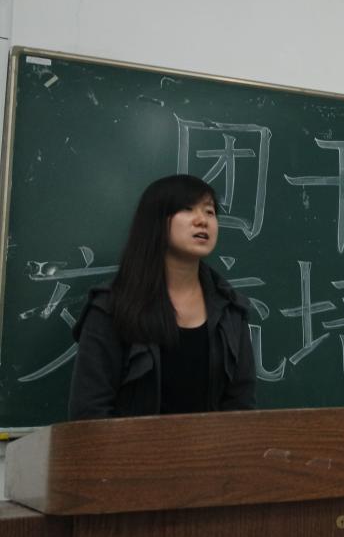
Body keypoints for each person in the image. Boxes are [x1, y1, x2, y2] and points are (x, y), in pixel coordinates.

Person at [68, 174, 256, 420]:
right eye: (187, 209)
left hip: (213, 445)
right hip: (129, 445)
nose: (202, 221)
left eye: (209, 212)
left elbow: (241, 405)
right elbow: (89, 411)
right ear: (156, 220)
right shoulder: (111, 307)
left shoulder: (230, 309)